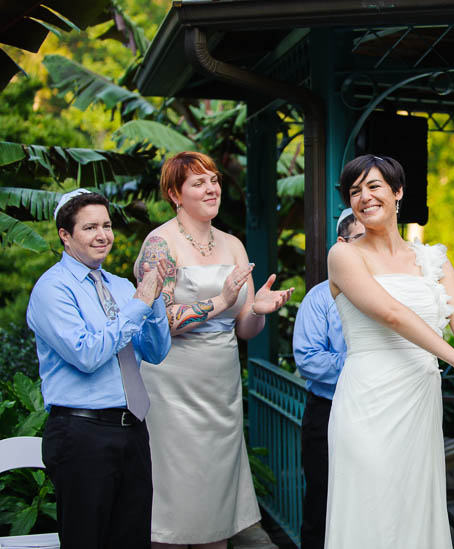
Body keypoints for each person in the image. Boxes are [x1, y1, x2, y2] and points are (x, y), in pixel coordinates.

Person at [324, 154, 454, 548]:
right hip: (368, 403)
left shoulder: (433, 259)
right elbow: (393, 314)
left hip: (418, 403)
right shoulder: (343, 255)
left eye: (374, 186)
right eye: (355, 190)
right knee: (372, 511)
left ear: (397, 192)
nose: (365, 197)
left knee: (414, 510)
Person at [133, 151, 294, 549]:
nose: (211, 189)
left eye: (214, 180)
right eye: (198, 183)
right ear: (175, 194)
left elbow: (244, 329)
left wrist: (258, 310)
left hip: (221, 385)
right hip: (172, 386)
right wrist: (220, 302)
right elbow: (160, 320)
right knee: (174, 502)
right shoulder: (160, 244)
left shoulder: (233, 244)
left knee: (215, 505)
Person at [27, 189, 171, 549]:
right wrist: (140, 304)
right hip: (81, 434)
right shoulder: (52, 290)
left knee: (133, 540)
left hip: (133, 431)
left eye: (106, 225)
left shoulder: (122, 287)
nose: (102, 235)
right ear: (65, 234)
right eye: (90, 227)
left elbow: (155, 352)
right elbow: (88, 354)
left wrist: (152, 302)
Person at [293, 208, 364, 549]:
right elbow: (308, 359)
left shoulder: (395, 290)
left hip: (379, 412)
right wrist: (363, 365)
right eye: (361, 239)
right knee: (323, 502)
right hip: (329, 410)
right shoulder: (319, 298)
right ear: (342, 244)